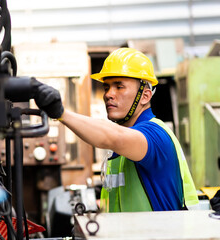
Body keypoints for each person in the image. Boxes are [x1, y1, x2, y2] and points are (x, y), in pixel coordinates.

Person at [33, 47, 199, 212]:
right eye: (106, 87)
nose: (108, 94)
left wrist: (61, 113)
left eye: (119, 87)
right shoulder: (124, 140)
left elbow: (111, 137)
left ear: (145, 96)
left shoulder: (154, 134)